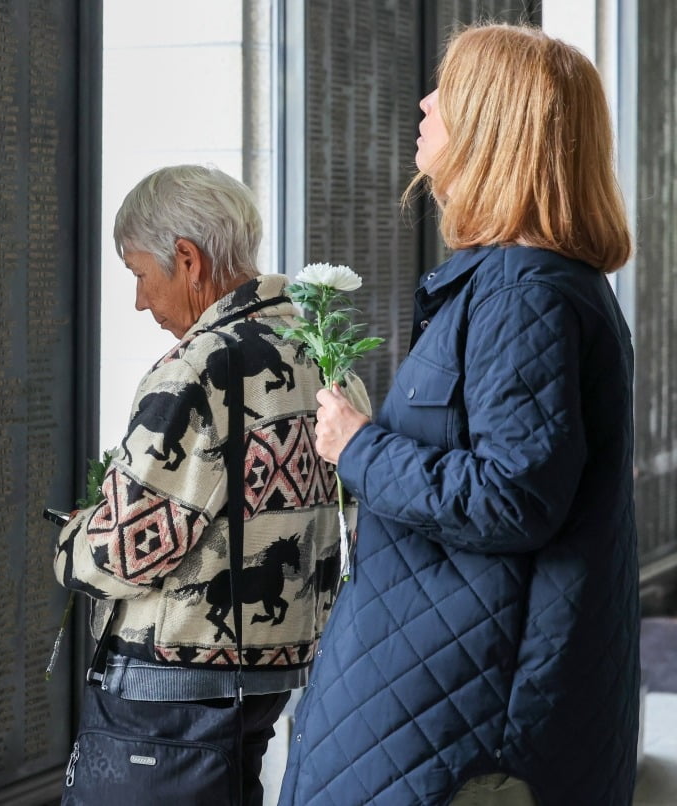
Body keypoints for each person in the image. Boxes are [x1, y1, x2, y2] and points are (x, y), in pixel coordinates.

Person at [278, 23, 638, 806]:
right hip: (450, 697)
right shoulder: (530, 284)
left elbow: (514, 497)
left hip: (470, 719)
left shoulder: (525, 292)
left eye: (447, 90)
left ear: (492, 124)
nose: (424, 101)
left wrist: (358, 447)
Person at [53, 164, 369, 805]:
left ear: (188, 260)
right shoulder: (321, 356)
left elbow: (124, 551)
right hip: (270, 682)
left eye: (141, 275)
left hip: (168, 699)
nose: (141, 301)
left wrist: (71, 540)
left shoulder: (199, 369)